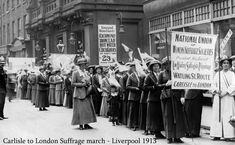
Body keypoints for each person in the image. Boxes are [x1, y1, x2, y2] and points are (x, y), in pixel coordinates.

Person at [158, 57, 186, 143]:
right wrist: (165, 84)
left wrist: (182, 96)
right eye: (166, 64)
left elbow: (182, 85)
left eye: (170, 63)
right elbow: (158, 86)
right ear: (164, 65)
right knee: (168, 117)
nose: (168, 66)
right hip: (167, 98)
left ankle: (178, 136)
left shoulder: (177, 73)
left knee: (178, 117)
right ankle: (169, 137)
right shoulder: (161, 74)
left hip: (176, 97)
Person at [210, 56, 235, 141]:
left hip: (228, 97)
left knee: (228, 115)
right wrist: (217, 90)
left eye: (227, 63)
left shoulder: (232, 74)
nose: (225, 65)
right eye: (224, 63)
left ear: (230, 65)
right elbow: (213, 84)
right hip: (219, 97)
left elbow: (233, 85)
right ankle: (217, 134)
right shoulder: (218, 74)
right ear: (221, 64)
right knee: (218, 115)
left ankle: (228, 135)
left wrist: (226, 92)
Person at [71, 56, 97, 130]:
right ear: (80, 65)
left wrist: (88, 83)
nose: (85, 65)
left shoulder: (86, 73)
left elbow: (89, 81)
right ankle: (80, 124)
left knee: (87, 109)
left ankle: (86, 123)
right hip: (79, 94)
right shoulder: (75, 73)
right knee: (80, 110)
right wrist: (82, 84)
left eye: (85, 64)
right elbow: (73, 83)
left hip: (87, 93)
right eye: (83, 64)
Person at [144, 60, 165, 139]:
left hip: (160, 97)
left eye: (158, 66)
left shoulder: (161, 74)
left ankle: (158, 131)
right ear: (151, 68)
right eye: (154, 66)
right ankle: (155, 132)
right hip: (152, 98)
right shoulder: (149, 76)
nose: (156, 68)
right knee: (153, 116)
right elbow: (145, 87)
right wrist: (153, 87)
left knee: (159, 116)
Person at [126, 63, 141, 131]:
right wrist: (135, 88)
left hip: (139, 95)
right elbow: (127, 86)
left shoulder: (141, 75)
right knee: (133, 111)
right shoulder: (131, 76)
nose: (135, 69)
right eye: (134, 67)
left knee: (138, 110)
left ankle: (138, 124)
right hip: (133, 96)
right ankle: (133, 124)